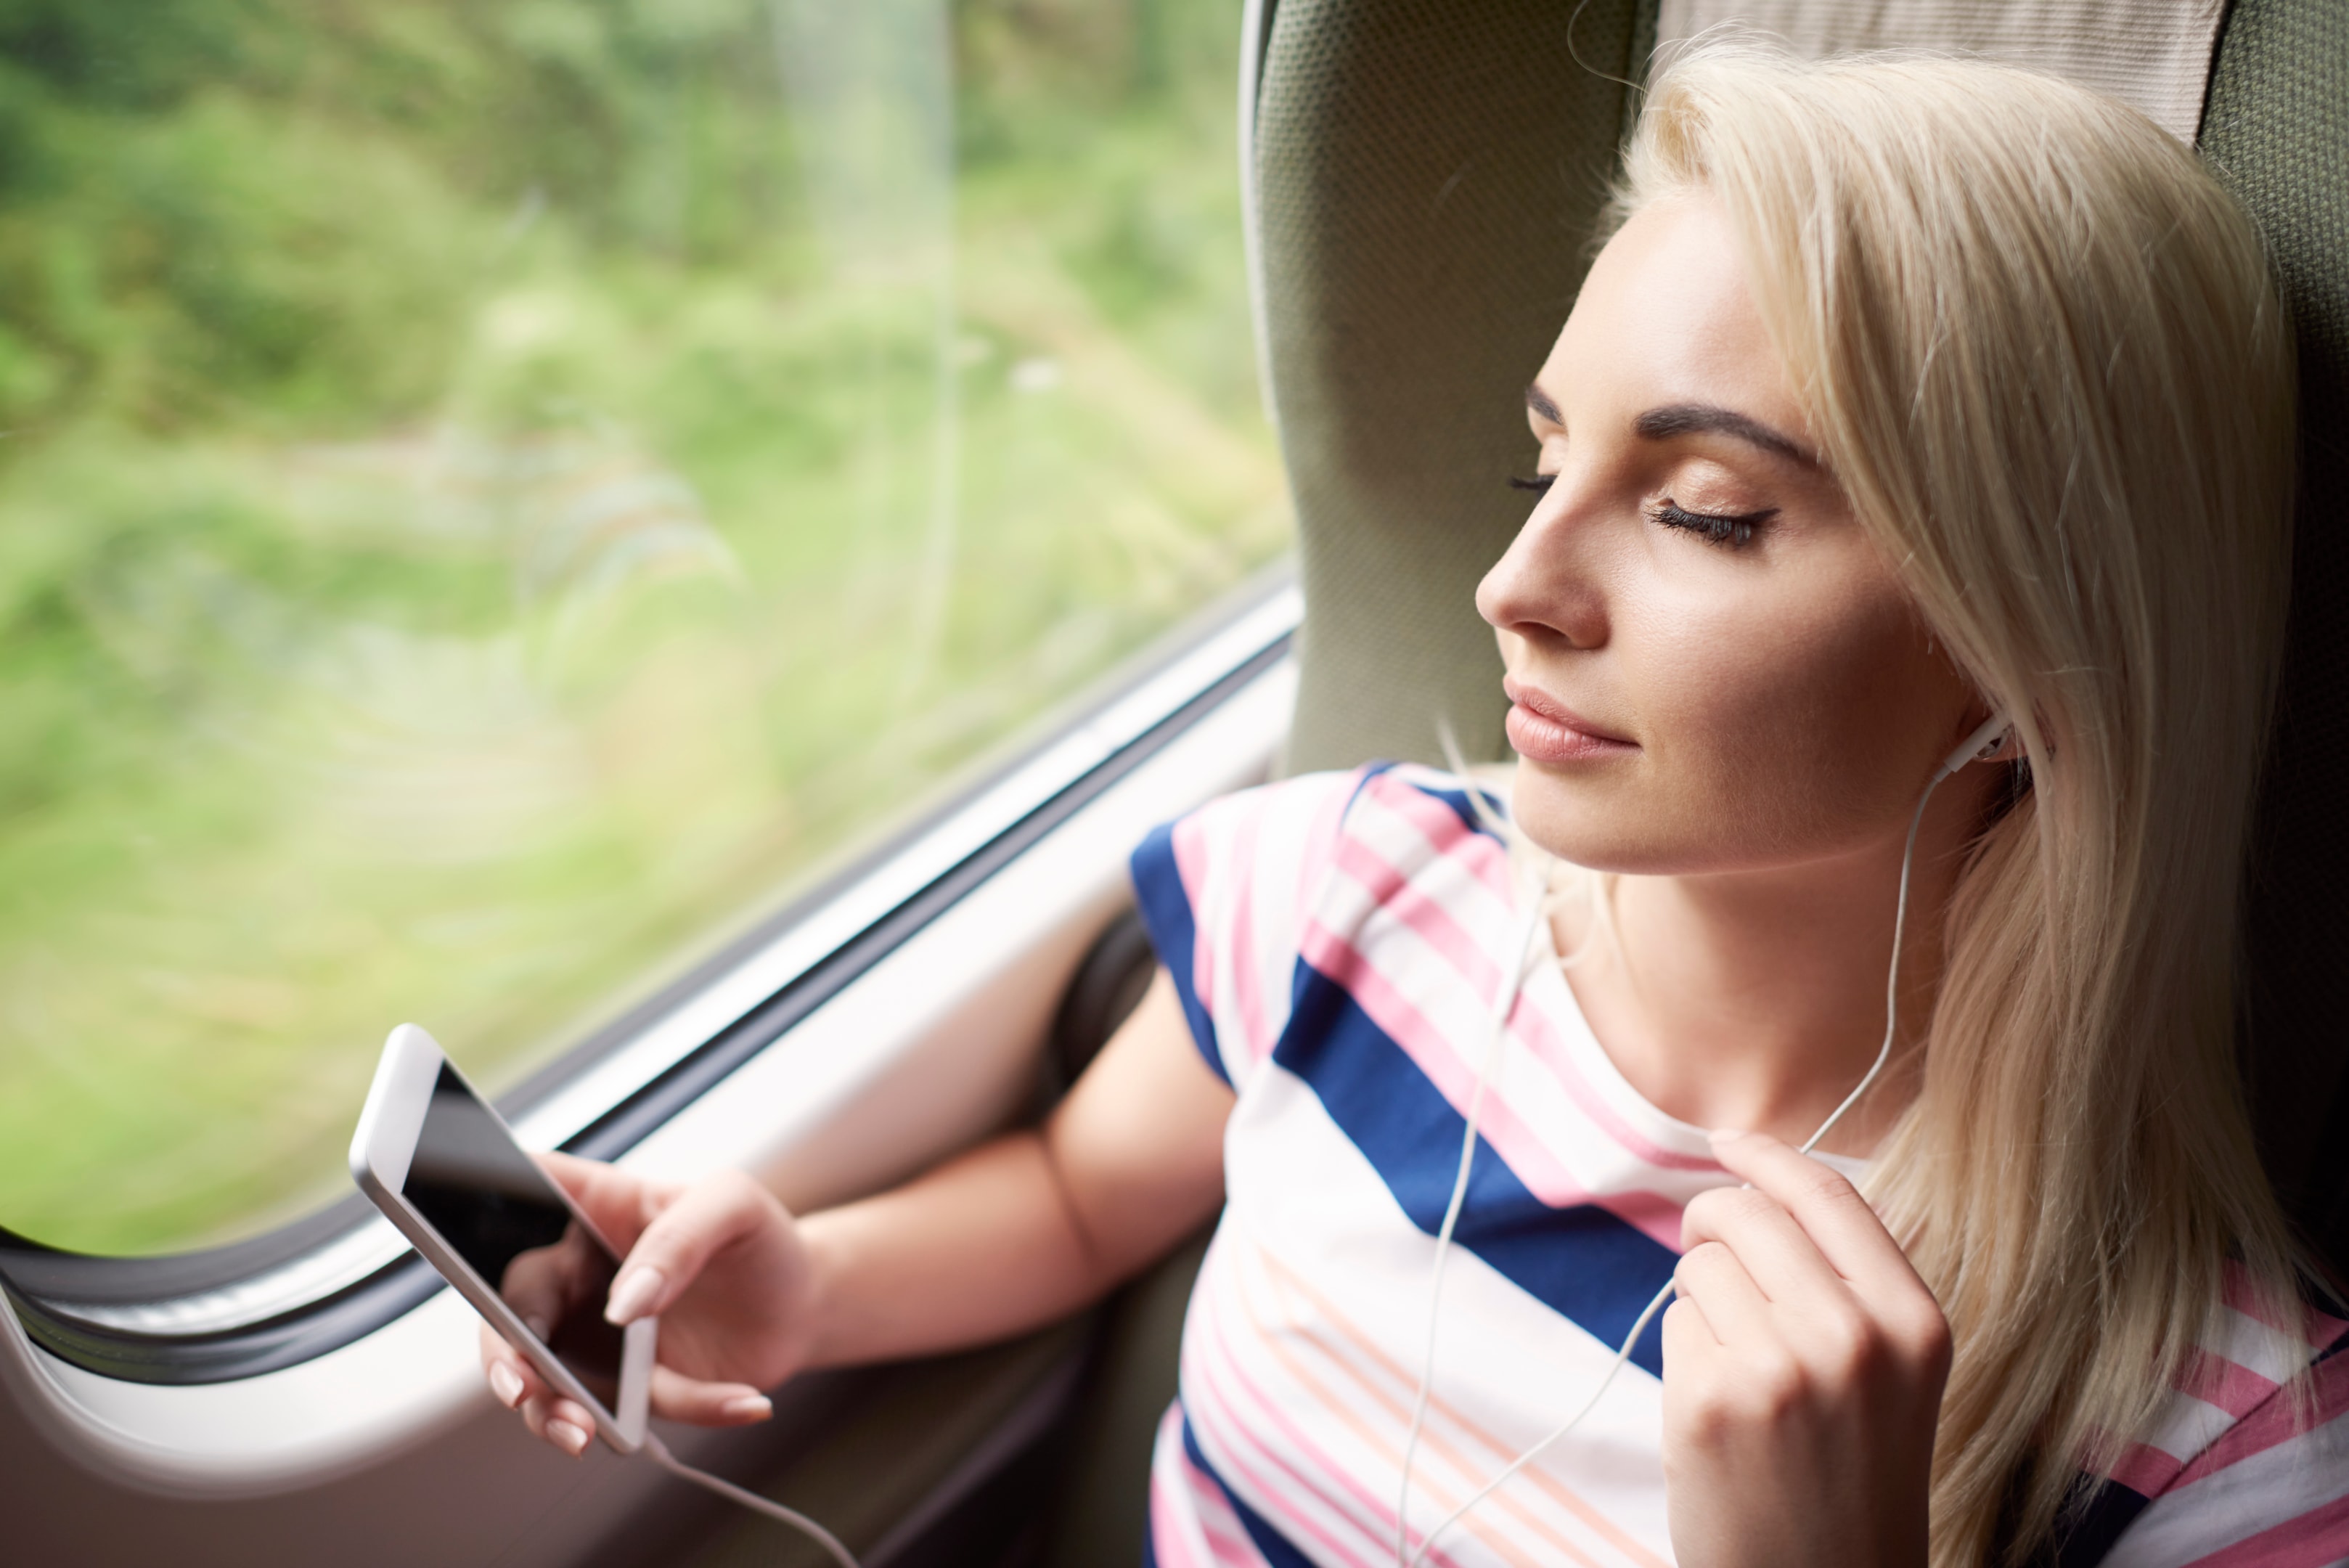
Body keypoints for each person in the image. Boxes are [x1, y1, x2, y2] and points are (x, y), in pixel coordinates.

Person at [479, 44, 2348, 1568]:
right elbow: (1073, 1198)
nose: (1513, 585)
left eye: (1700, 512)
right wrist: (804, 1295)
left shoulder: (2221, 1444)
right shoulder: (1350, 891)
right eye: (1545, 464)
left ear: (2029, 646)